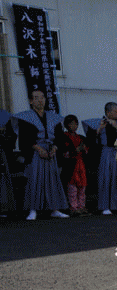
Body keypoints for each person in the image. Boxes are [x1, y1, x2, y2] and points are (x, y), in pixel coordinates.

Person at [8, 90, 69, 220]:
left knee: (53, 180)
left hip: (51, 152)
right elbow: (24, 138)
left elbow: (59, 136)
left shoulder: (53, 117)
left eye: (42, 98)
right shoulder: (26, 117)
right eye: (36, 98)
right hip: (36, 152)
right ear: (31, 101)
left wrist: (55, 148)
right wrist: (38, 148)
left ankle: (55, 209)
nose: (40, 100)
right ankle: (33, 210)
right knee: (34, 180)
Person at [94, 102, 117, 215]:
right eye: (115, 111)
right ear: (108, 112)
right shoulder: (100, 123)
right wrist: (99, 129)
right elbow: (94, 139)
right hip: (106, 152)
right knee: (106, 178)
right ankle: (105, 207)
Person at [59, 115, 89, 216]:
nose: (74, 126)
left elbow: (87, 151)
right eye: (71, 124)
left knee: (82, 187)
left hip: (81, 164)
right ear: (67, 125)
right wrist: (75, 150)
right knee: (72, 187)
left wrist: (84, 149)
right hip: (71, 165)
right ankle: (74, 207)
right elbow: (64, 153)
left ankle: (81, 206)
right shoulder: (64, 137)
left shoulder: (80, 137)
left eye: (75, 123)